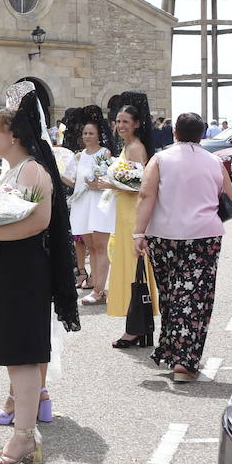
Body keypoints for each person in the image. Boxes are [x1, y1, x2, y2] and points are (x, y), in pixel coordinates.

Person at [0, 85, 78, 464]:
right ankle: (24, 433)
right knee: (16, 356)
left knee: (24, 357)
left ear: (16, 135)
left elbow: (37, 224)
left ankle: (24, 437)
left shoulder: (33, 170)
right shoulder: (15, 169)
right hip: (8, 270)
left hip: (22, 272)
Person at [132, 113, 232, 381]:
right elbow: (228, 199)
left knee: (170, 295)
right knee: (195, 299)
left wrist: (138, 232)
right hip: (204, 237)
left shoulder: (160, 159)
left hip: (164, 235)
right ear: (202, 134)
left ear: (175, 132)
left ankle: (172, 352)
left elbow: (146, 195)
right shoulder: (215, 162)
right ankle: (185, 362)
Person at [92, 92, 161, 346]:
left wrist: (111, 183)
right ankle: (137, 324)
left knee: (134, 269)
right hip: (122, 213)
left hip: (132, 213)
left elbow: (141, 184)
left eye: (125, 122)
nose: (120, 126)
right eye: (118, 122)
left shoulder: (136, 148)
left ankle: (135, 326)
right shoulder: (126, 147)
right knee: (128, 267)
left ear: (137, 124)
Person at [66, 112, 116, 306]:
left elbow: (106, 179)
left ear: (98, 135)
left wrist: (96, 182)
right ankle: (95, 281)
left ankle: (100, 289)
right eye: (85, 133)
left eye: (91, 133)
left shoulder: (104, 154)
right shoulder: (78, 156)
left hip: (98, 202)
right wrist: (58, 173)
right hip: (81, 203)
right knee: (91, 246)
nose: (87, 136)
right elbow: (73, 181)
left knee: (101, 246)